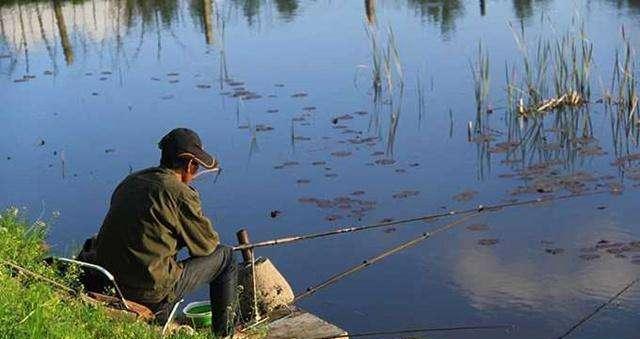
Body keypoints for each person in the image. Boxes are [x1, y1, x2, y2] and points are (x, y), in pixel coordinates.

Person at [94, 128, 237, 337]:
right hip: (149, 292)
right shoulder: (179, 193)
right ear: (189, 164)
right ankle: (225, 334)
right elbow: (206, 246)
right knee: (226, 257)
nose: (195, 172)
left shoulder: (131, 181)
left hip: (108, 281)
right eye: (196, 166)